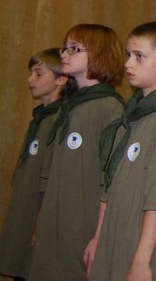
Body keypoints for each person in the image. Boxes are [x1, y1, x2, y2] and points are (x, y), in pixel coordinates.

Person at [87, 22, 156, 280]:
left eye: (139, 56)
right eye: (128, 55)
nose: (128, 64)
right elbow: (109, 185)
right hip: (115, 237)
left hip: (141, 245)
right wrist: (98, 238)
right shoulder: (131, 114)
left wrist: (142, 261)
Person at [29, 24, 126, 281]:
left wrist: (99, 237)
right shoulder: (67, 107)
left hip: (83, 227)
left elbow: (111, 181)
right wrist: (41, 221)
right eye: (65, 48)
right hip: (55, 224)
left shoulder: (109, 108)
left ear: (98, 55)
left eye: (74, 49)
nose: (64, 54)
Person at [0, 49, 73, 280]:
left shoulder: (59, 120)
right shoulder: (40, 118)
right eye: (30, 73)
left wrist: (41, 220)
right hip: (26, 211)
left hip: (40, 217)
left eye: (39, 74)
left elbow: (53, 178)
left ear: (61, 79)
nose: (30, 79)